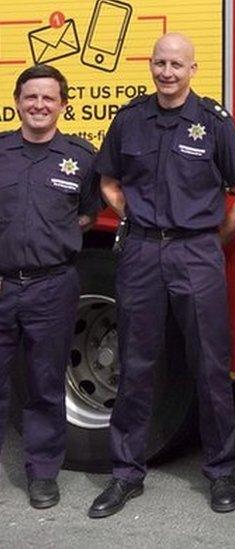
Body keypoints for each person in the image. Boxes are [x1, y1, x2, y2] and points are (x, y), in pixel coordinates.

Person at [88, 32, 235, 519]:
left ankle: (221, 471)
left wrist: (212, 238)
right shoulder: (130, 120)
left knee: (209, 366)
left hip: (196, 254)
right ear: (151, 65)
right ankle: (124, 474)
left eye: (176, 64)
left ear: (193, 69)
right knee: (135, 363)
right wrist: (131, 215)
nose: (167, 72)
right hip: (142, 253)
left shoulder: (212, 123)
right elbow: (107, 179)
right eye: (159, 62)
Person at [0, 64, 101, 510]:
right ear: (18, 101)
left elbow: (88, 213)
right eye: (31, 97)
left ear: (63, 104)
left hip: (52, 286)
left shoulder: (80, 157)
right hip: (1, 285)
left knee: (44, 385)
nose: (39, 105)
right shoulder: (0, 152)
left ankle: (42, 474)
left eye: (48, 98)